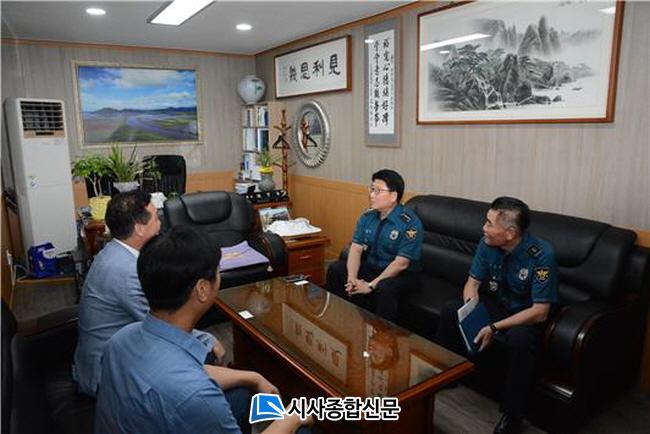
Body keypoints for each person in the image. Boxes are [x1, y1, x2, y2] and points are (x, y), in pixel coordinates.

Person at [95, 225, 312, 434]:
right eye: (218, 271)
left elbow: (184, 372)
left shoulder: (121, 339)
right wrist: (291, 419)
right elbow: (187, 385)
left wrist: (253, 377)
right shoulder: (195, 395)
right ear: (202, 289)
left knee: (239, 394)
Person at [73, 190, 225, 397]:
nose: (160, 224)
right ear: (139, 228)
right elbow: (162, 324)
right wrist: (207, 340)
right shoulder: (126, 272)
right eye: (156, 218)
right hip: (106, 377)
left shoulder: (112, 252)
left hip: (114, 357)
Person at [434, 197, 558, 434]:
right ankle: (445, 374)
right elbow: (472, 283)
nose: (484, 228)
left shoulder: (542, 255)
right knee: (452, 309)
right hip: (499, 305)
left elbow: (540, 312)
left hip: (525, 315)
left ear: (510, 233)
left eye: (489, 224)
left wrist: (493, 327)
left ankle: (513, 415)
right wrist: (470, 310)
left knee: (520, 341)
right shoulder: (487, 243)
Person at [325, 169, 423, 322]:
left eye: (377, 191)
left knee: (384, 288)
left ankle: (382, 333)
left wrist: (370, 286)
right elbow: (356, 249)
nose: (371, 195)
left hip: (401, 275)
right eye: (371, 189)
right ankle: (338, 319)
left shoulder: (410, 223)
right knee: (336, 269)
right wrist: (352, 278)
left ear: (393, 196)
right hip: (373, 267)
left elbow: (401, 264)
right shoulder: (368, 216)